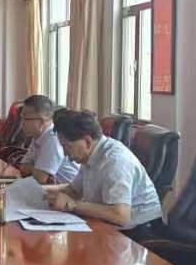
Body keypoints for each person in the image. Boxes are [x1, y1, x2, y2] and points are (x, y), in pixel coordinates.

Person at [45, 109, 163, 240]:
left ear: (87, 141)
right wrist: (40, 191)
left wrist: (71, 205)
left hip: (139, 231)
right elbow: (74, 190)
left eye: (67, 147)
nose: (65, 154)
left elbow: (120, 216)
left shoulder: (114, 161)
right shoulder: (90, 154)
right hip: (110, 224)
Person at [18, 95, 78, 185]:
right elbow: (23, 167)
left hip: (68, 191)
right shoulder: (37, 136)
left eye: (25, 119)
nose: (21, 123)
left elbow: (40, 179)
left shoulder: (53, 139)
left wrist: (33, 168)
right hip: (51, 188)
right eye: (21, 117)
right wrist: (36, 169)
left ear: (41, 121)